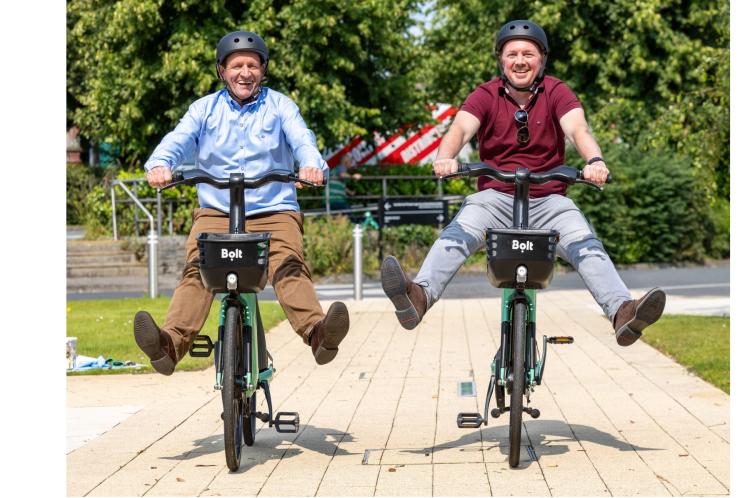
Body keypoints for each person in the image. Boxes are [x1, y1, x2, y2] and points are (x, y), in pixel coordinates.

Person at [380, 20, 666, 346]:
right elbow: (459, 130)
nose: (520, 60)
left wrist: (595, 161)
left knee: (586, 244)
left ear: (541, 59)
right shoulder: (485, 95)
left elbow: (578, 130)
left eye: (528, 54)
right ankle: (419, 296)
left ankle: (622, 313)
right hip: (494, 197)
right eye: (512, 53)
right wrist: (445, 158)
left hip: (550, 201)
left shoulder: (557, 92)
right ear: (501, 59)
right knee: (457, 234)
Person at [134, 31, 350, 375]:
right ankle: (168, 345)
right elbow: (177, 140)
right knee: (197, 269)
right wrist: (160, 165)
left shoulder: (281, 106)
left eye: (252, 65)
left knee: (288, 265)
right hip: (216, 210)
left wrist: (311, 166)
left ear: (263, 70)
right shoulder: (203, 109)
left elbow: (302, 140)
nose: (244, 73)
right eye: (236, 66)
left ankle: (319, 334)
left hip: (274, 209)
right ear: (222, 71)